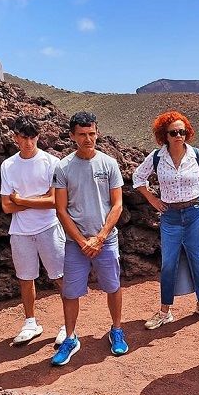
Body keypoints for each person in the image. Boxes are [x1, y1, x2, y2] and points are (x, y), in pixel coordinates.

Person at [52, 111, 126, 365]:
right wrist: (83, 241)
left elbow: (117, 205)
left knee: (113, 286)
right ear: (72, 136)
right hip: (76, 243)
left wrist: (100, 237)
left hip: (106, 240)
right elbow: (60, 209)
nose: (88, 139)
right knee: (70, 293)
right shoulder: (63, 167)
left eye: (92, 133)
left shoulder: (109, 164)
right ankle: (70, 337)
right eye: (82, 134)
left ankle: (116, 329)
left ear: (97, 132)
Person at [134, 111, 199, 329]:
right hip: (170, 216)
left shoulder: (197, 155)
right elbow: (137, 178)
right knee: (168, 262)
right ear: (165, 135)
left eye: (182, 131)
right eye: (173, 132)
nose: (179, 136)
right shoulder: (157, 157)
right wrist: (152, 199)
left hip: (196, 212)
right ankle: (165, 310)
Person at [0, 116, 67, 347]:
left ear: (38, 136)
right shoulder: (8, 165)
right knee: (25, 278)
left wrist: (21, 199)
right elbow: (7, 206)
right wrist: (35, 199)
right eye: (23, 137)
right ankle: (31, 322)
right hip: (20, 231)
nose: (28, 142)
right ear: (15, 137)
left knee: (59, 276)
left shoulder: (51, 162)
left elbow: (54, 201)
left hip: (49, 227)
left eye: (32, 137)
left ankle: (69, 325)